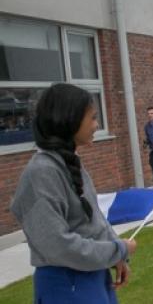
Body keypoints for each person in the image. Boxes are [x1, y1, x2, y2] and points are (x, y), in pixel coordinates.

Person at [11, 83, 136, 304]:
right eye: (93, 118)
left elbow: (93, 219)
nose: (97, 125)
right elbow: (58, 246)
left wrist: (117, 255)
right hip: (66, 286)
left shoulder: (69, 164)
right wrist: (116, 249)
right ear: (68, 120)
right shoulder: (41, 173)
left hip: (92, 278)